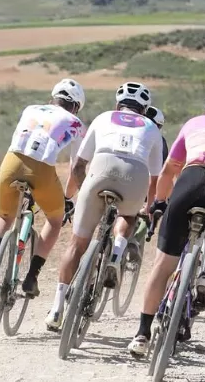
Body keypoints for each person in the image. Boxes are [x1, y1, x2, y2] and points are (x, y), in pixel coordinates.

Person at [127, 89, 205, 357]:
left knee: (162, 266)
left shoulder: (193, 123)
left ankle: (142, 334)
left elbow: (169, 170)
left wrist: (159, 202)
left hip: (190, 182)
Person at [45, 82, 162, 330]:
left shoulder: (103, 117)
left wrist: (80, 193)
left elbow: (78, 166)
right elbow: (155, 180)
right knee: (128, 216)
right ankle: (117, 251)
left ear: (118, 104)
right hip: (135, 173)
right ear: (144, 109)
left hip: (101, 167)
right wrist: (149, 209)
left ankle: (56, 308)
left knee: (77, 245)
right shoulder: (151, 126)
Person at [0, 79, 86, 298]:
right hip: (42, 171)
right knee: (54, 220)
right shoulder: (76, 123)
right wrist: (68, 198)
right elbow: (75, 168)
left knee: (4, 217)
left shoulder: (31, 108)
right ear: (76, 106)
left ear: (53, 97)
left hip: (11, 162)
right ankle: (31, 277)